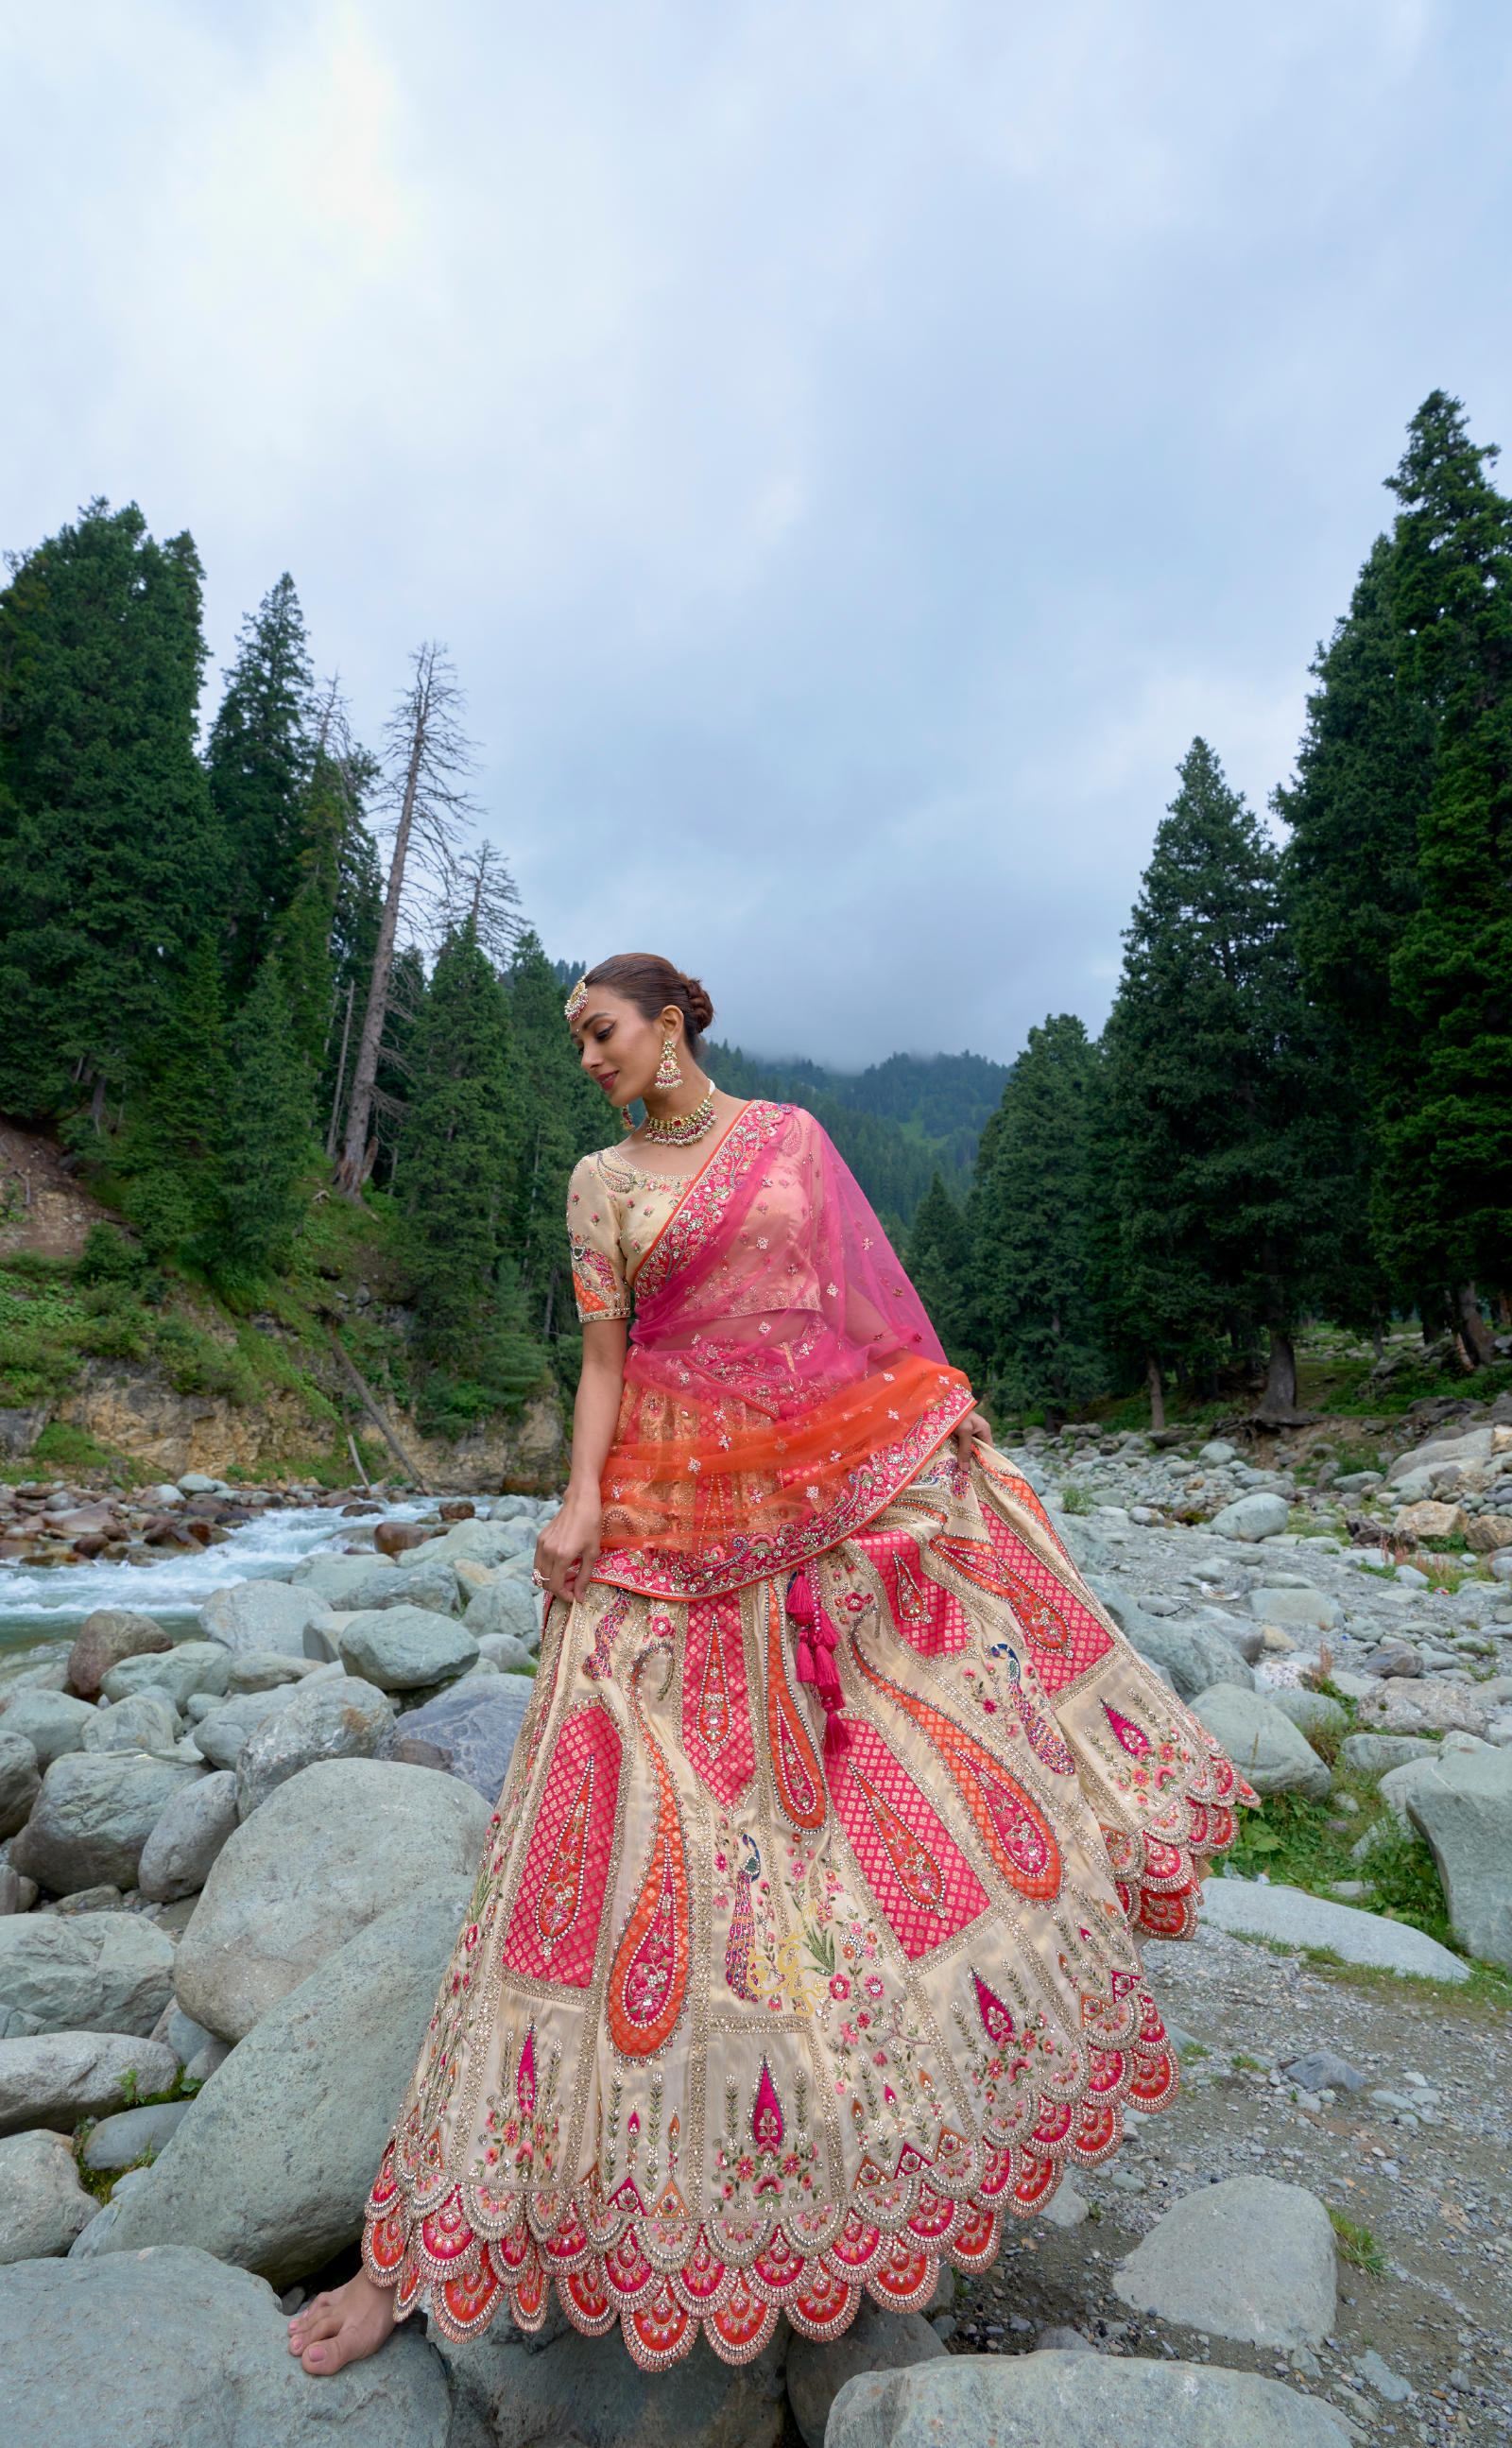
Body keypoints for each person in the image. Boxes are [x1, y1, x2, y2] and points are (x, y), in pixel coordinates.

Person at [290, 953, 1246, 2377]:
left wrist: (929, 1419)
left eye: (602, 1029)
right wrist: (577, 1499)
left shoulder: (791, 1142)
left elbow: (856, 1315)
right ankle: (430, 2245)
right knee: (582, 1846)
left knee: (835, 1830)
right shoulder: (594, 1182)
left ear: (671, 1019)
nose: (587, 1054)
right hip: (661, 1522)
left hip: (811, 1503)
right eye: (573, 1039)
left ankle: (852, 2152)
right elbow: (605, 1364)